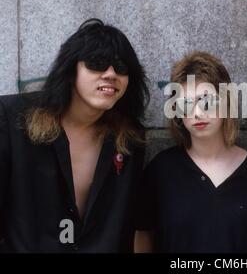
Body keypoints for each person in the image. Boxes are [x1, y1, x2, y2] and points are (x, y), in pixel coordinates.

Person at [0, 19, 149, 252]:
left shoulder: (130, 139)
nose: (110, 74)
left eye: (121, 67)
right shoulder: (11, 120)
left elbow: (127, 229)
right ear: (71, 69)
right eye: (97, 63)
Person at [134, 51, 247, 253]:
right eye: (186, 103)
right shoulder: (160, 171)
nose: (198, 113)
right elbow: (143, 234)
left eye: (207, 101)